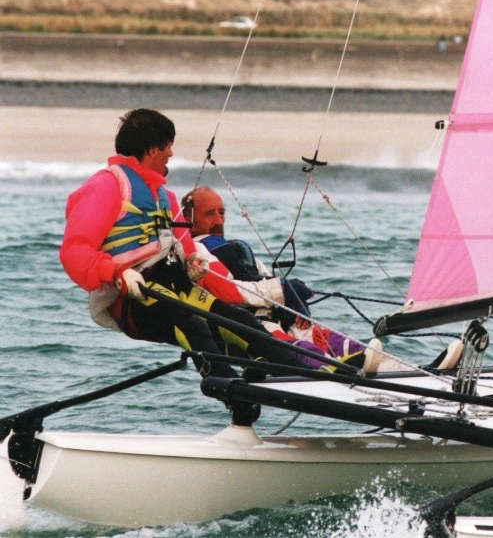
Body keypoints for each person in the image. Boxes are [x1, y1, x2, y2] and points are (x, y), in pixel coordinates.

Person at [59, 108, 318, 378]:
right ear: (153, 149)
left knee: (241, 321)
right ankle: (226, 385)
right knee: (193, 325)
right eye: (168, 147)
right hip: (134, 299)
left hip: (178, 287)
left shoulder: (166, 197)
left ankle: (306, 375)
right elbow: (73, 252)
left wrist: (194, 262)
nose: (171, 154)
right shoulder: (107, 186)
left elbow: (188, 250)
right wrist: (117, 272)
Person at [179, 187, 384, 372]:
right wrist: (283, 290)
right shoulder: (196, 250)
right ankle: (335, 370)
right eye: (209, 214)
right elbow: (228, 292)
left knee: (336, 341)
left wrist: (295, 305)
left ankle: (380, 366)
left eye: (222, 213)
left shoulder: (236, 248)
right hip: (251, 326)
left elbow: (263, 278)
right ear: (188, 218)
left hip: (276, 317)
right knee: (302, 349)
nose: (218, 220)